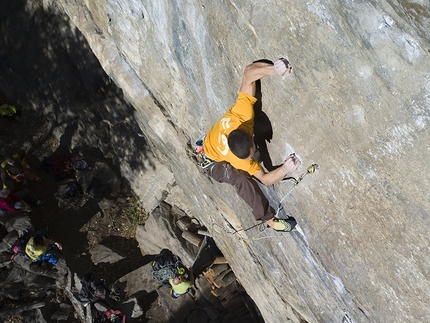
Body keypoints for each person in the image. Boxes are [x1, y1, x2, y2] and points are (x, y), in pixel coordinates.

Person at [202, 58, 301, 232]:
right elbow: (264, 180)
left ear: (250, 134)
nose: (252, 158)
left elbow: (248, 73)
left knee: (257, 155)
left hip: (214, 143)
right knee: (240, 179)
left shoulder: (241, 114)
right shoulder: (241, 162)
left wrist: (275, 70)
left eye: (251, 152)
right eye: (249, 156)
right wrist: (285, 168)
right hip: (211, 162)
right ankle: (270, 220)